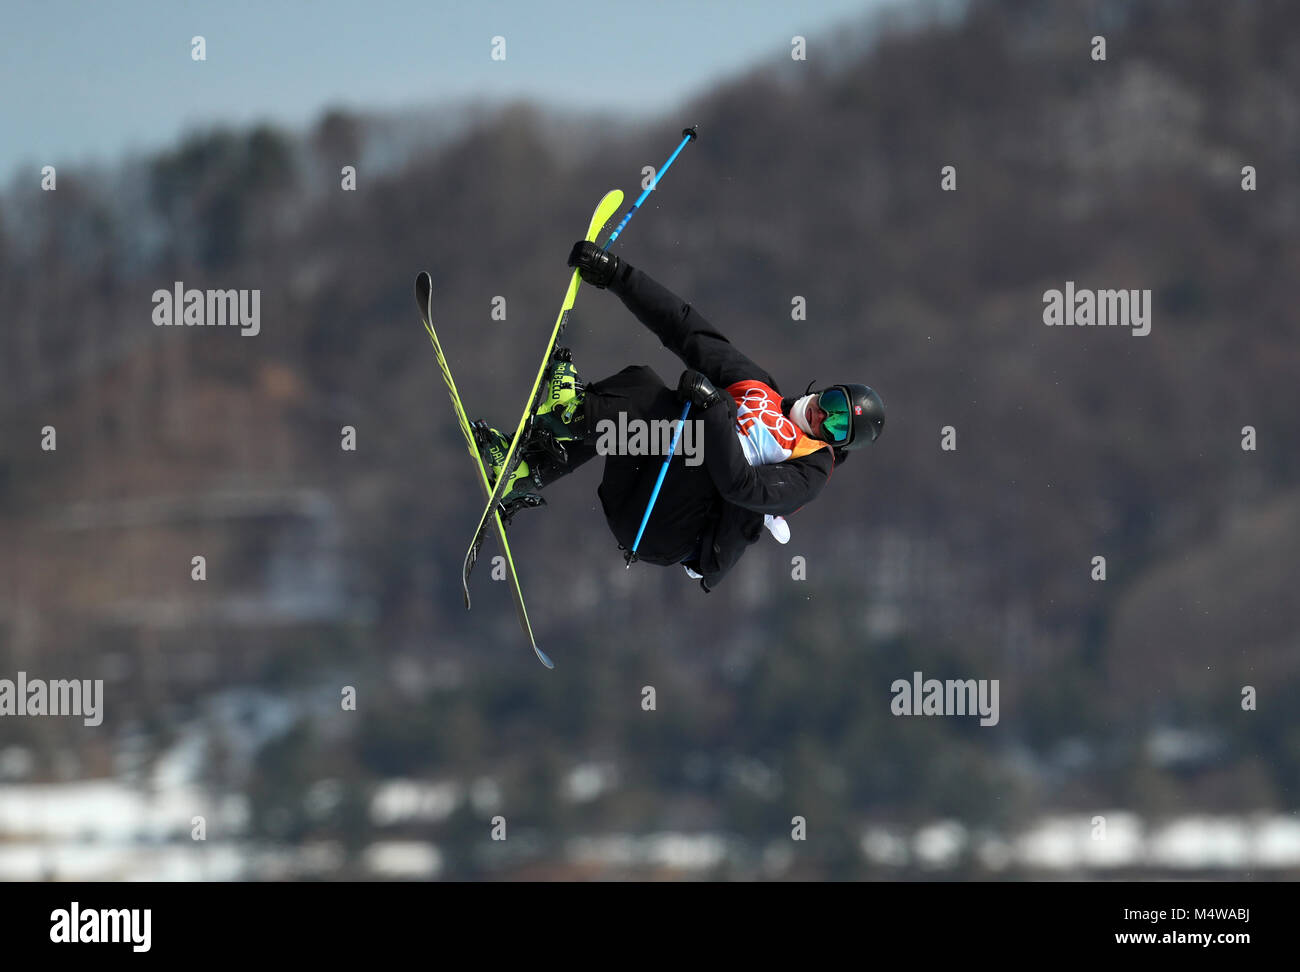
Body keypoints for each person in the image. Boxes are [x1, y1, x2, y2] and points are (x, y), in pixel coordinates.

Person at [473, 242, 885, 593]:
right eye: (831, 401)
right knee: (644, 386)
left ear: (837, 443)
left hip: (665, 530)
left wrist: (712, 408)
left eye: (836, 424)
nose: (821, 414)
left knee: (685, 423)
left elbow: (742, 486)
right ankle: (525, 470)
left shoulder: (810, 467)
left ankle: (573, 412)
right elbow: (687, 329)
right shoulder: (758, 388)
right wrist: (617, 275)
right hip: (634, 492)